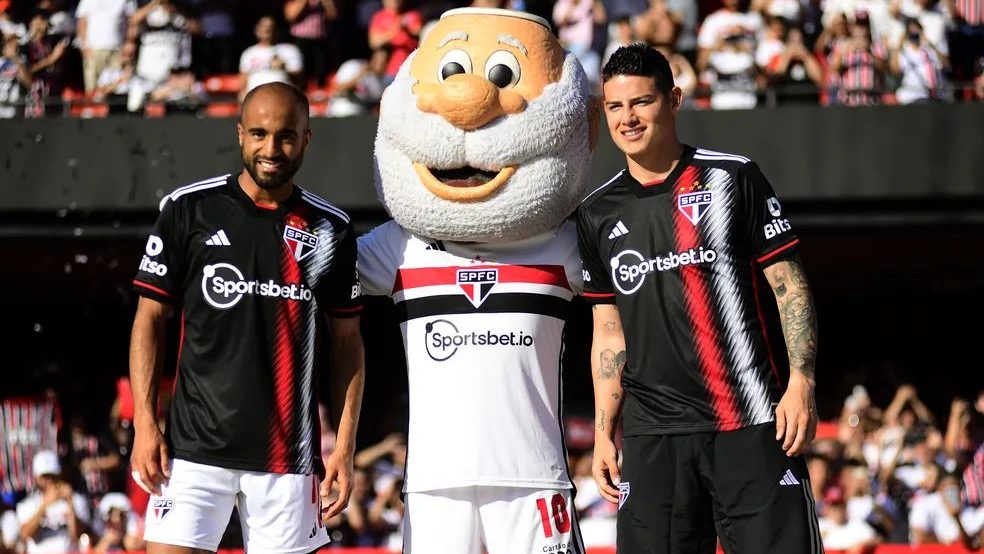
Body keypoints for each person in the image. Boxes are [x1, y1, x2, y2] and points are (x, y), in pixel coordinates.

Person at [578, 43, 822, 553]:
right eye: (616, 106)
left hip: (751, 422)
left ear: (674, 100)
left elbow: (789, 285)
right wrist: (606, 431)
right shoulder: (597, 213)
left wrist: (801, 381)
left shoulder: (733, 177)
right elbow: (608, 332)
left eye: (641, 102)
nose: (628, 118)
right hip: (652, 436)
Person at [128, 81, 365, 554]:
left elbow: (348, 345)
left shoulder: (330, 229)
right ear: (239, 134)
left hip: (288, 458)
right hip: (191, 452)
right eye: (258, 134)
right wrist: (144, 421)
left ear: (307, 139)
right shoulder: (188, 209)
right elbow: (149, 319)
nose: (271, 148)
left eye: (285, 136)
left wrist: (345, 446)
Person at [15, 450, 91, 554]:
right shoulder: (28, 504)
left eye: (53, 476)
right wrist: (45, 505)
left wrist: (70, 504)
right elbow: (25, 534)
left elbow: (77, 536)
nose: (49, 481)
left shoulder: (77, 500)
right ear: (37, 478)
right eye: (45, 477)